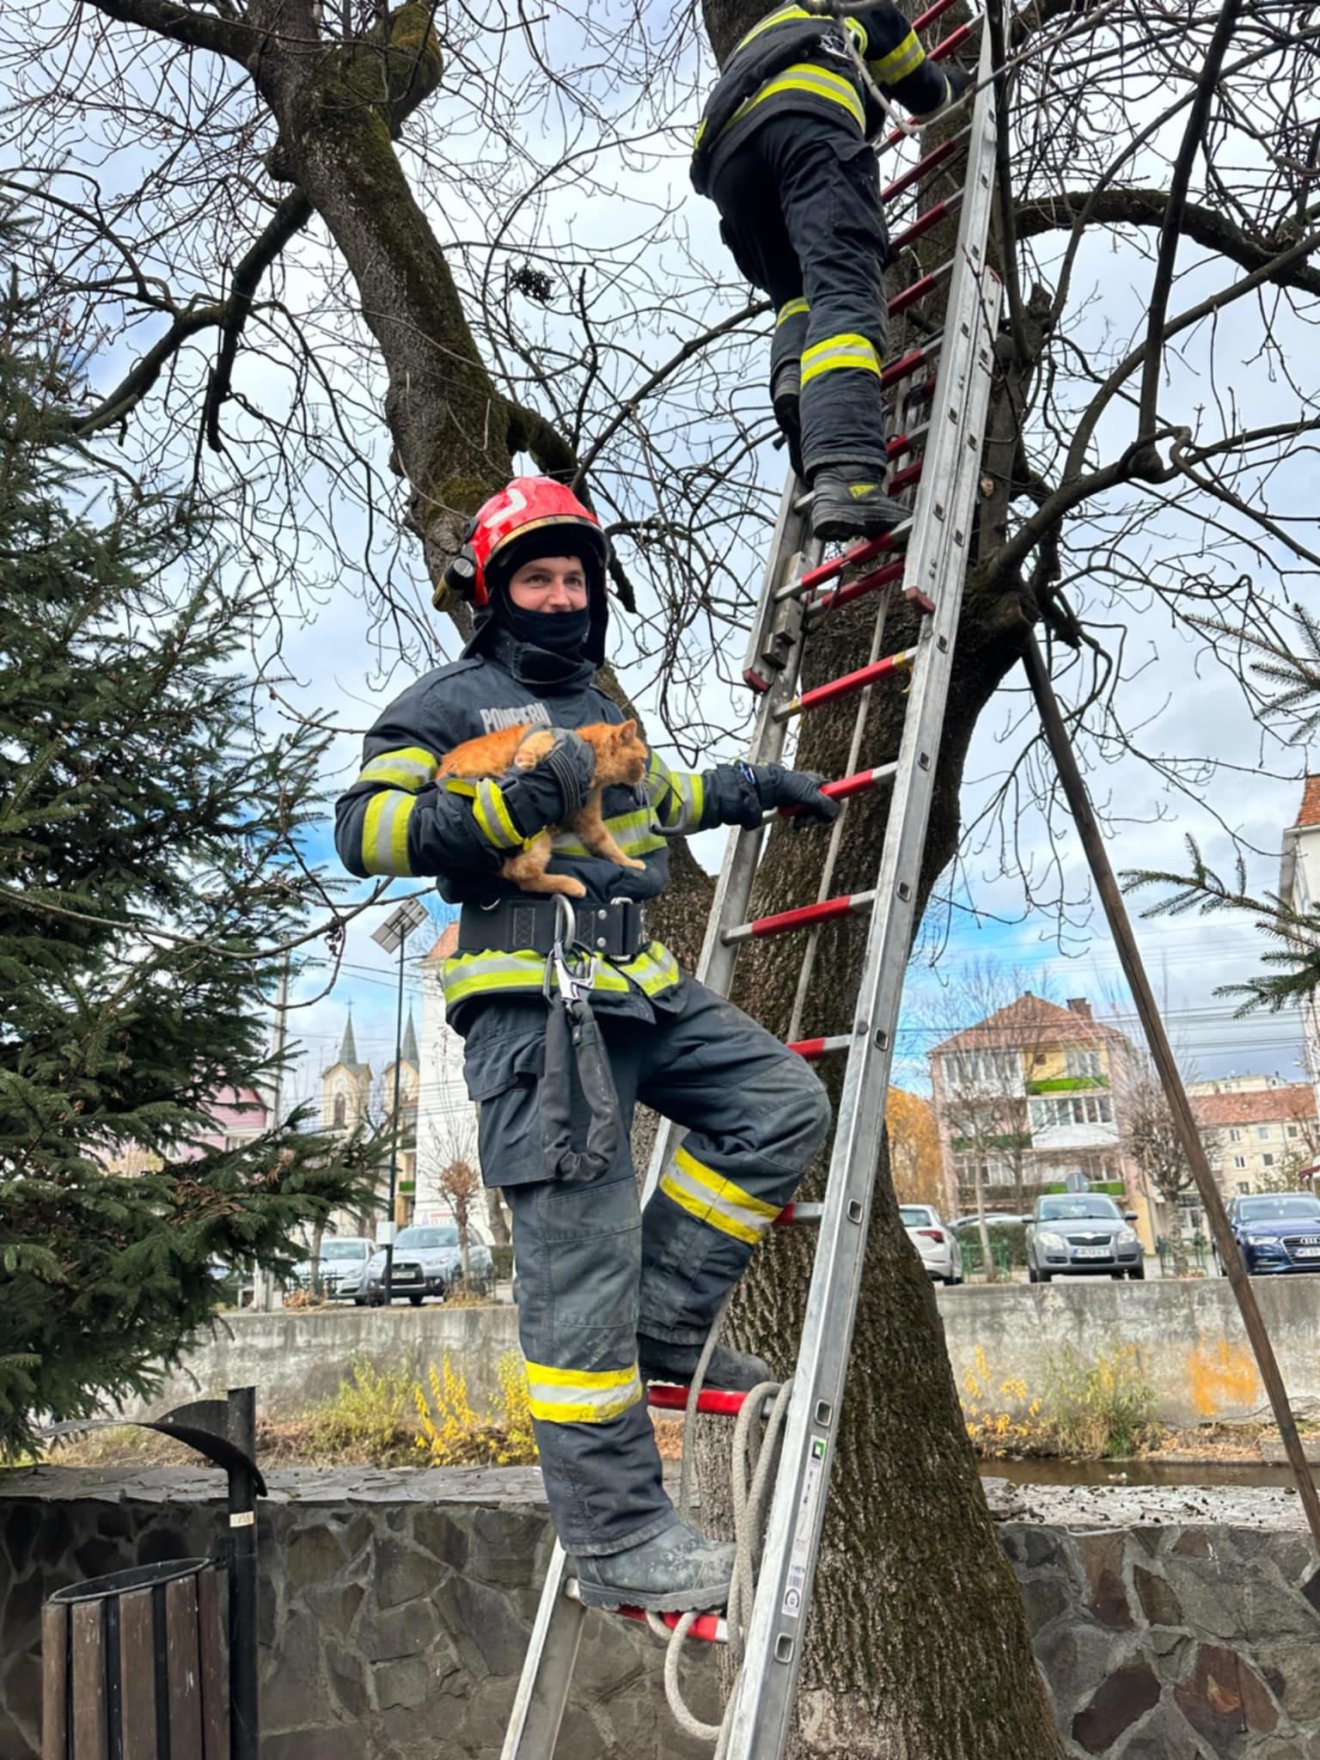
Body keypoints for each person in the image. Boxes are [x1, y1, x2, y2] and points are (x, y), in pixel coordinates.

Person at [336, 477, 836, 1612]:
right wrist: (512, 808)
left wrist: (752, 787)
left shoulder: (598, 699)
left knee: (780, 1105)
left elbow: (653, 797)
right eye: (537, 578)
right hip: (535, 1003)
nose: (561, 596)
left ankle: (667, 1319)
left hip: (636, 983)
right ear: (494, 593)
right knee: (578, 1266)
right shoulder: (447, 703)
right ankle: (617, 1534)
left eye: (575, 579)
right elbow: (366, 828)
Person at [692, 2, 966, 540]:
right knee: (844, 289)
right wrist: (956, 84)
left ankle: (794, 377)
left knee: (797, 295)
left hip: (729, 167)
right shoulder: (850, 7)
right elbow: (924, 89)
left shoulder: (775, 28)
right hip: (805, 129)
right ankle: (849, 475)